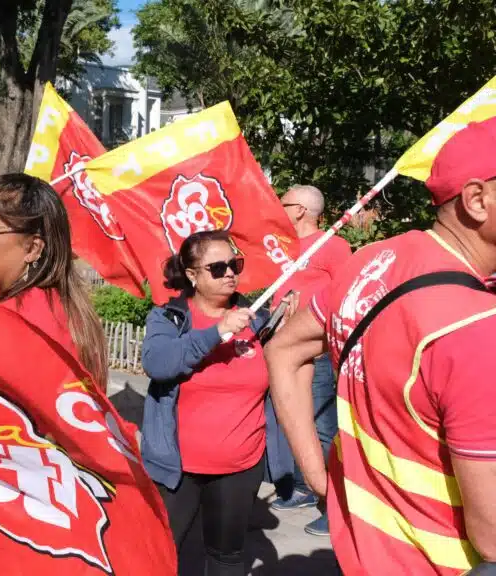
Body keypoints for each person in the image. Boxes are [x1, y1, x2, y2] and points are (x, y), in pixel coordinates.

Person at [265, 118, 496, 575]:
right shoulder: (474, 328)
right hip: (438, 563)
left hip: (361, 551)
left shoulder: (371, 259)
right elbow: (491, 535)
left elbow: (283, 350)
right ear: (476, 200)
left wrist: (318, 476)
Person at [0, 173, 110, 575]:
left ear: (33, 247)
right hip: (39, 514)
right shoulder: (58, 306)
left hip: (5, 517)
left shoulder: (18, 325)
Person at [140, 230, 296, 576]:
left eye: (234, 264)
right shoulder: (169, 318)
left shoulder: (257, 319)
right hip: (176, 468)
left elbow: (287, 373)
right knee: (159, 553)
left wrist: (291, 328)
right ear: (192, 275)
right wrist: (216, 332)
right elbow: (158, 363)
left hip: (240, 465)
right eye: (217, 267)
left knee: (227, 555)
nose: (229, 273)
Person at [267, 184, 351, 536]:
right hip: (280, 348)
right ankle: (305, 487)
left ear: (300, 210)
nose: (278, 207)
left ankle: (337, 506)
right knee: (291, 421)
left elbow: (346, 294)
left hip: (314, 351)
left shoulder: (333, 246)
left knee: (320, 426)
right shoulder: (282, 245)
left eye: (283, 202)